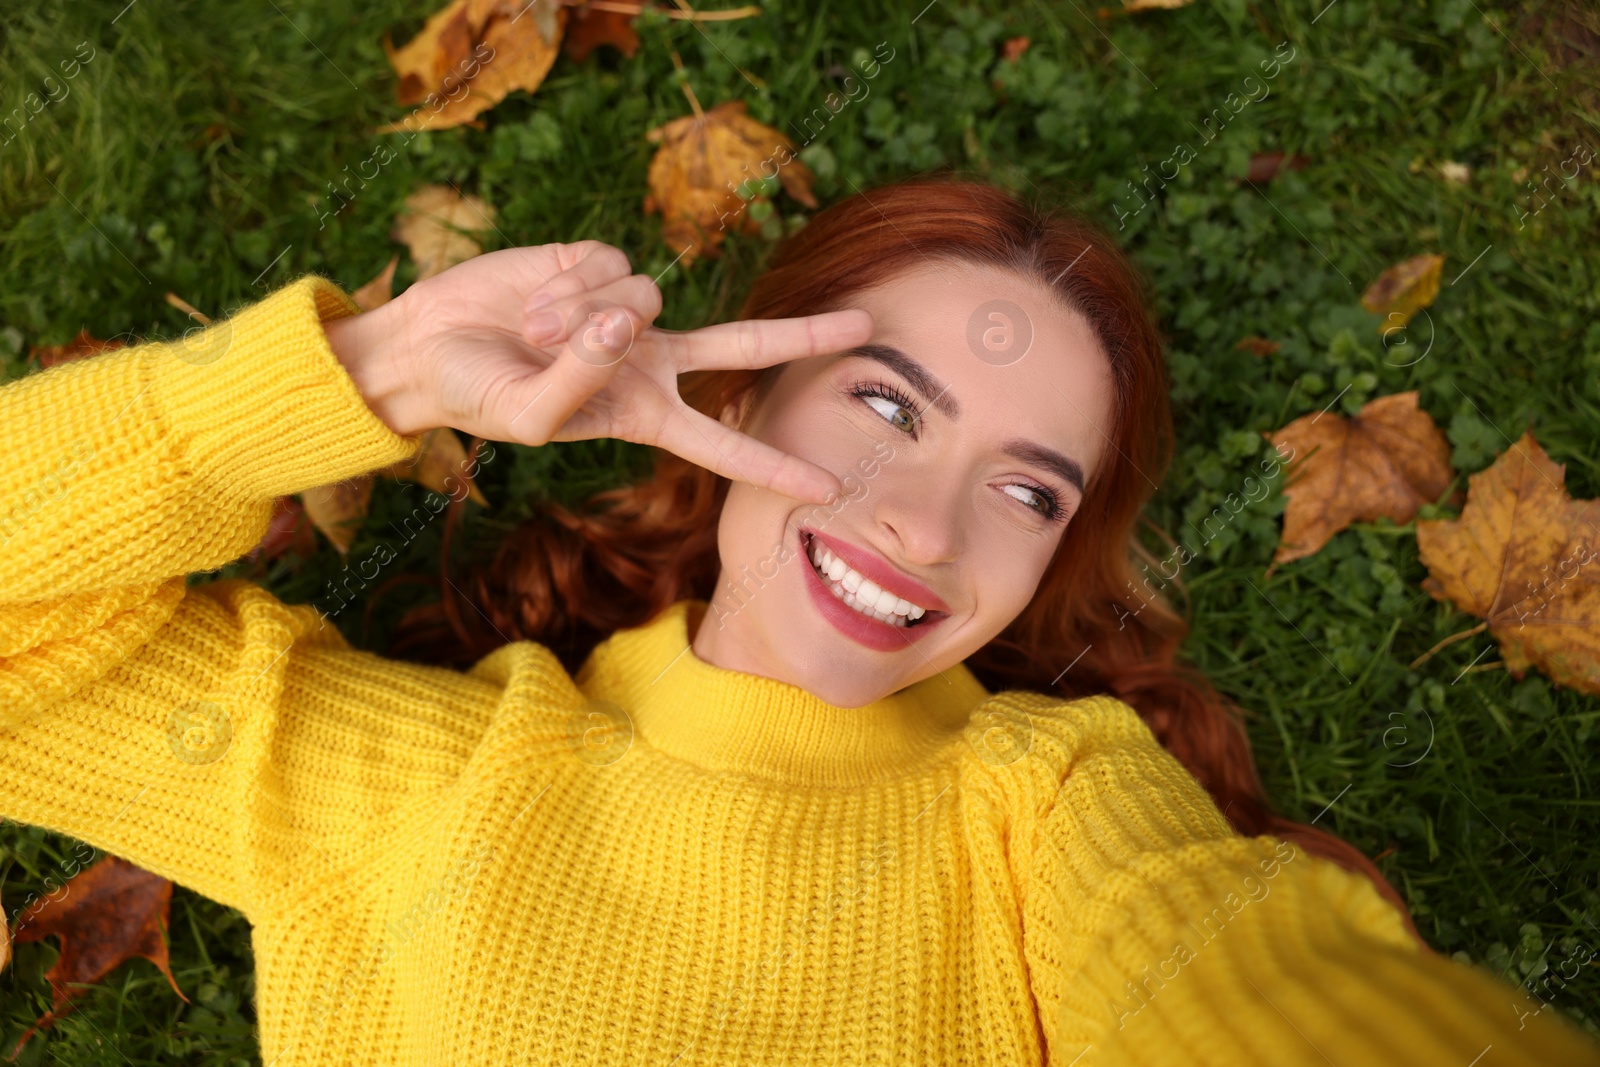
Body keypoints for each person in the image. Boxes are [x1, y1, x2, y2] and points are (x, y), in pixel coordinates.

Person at [0, 175, 1594, 1066]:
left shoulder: (1057, 810)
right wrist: (377, 376)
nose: (924, 524)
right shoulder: (412, 779)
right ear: (742, 387)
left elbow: (1263, 998)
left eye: (1030, 493)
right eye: (888, 406)